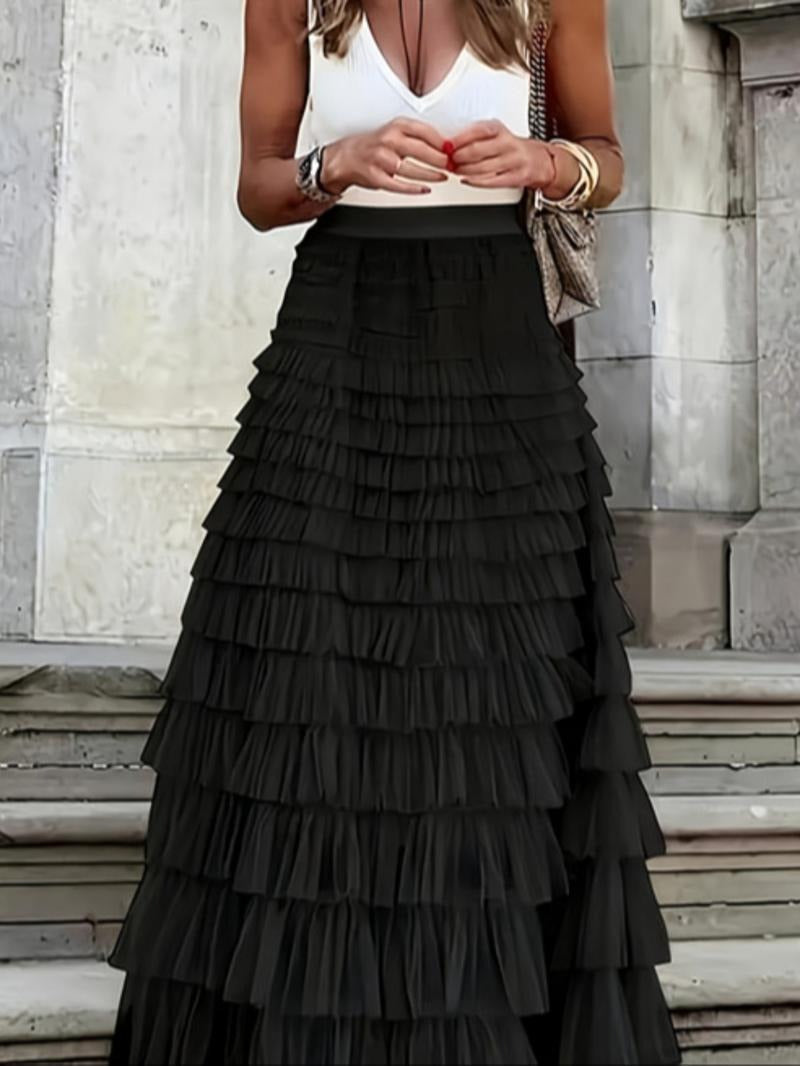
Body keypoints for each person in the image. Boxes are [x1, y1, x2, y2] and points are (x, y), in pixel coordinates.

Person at [107, 1, 683, 1063]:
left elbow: (607, 158)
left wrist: (546, 162)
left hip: (498, 344)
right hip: (338, 330)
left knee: (492, 676)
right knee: (307, 665)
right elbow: (258, 189)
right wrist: (338, 163)